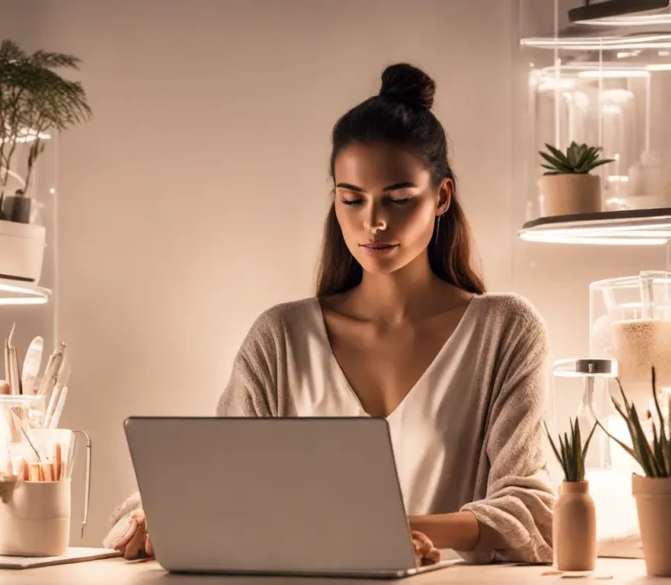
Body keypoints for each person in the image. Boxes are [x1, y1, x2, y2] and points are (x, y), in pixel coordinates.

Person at [103, 63, 555, 566]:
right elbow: (223, 482)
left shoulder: (505, 330)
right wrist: (155, 514)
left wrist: (390, 528)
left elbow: (532, 510)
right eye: (351, 199)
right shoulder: (280, 339)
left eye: (399, 199)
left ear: (441, 196)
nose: (374, 222)